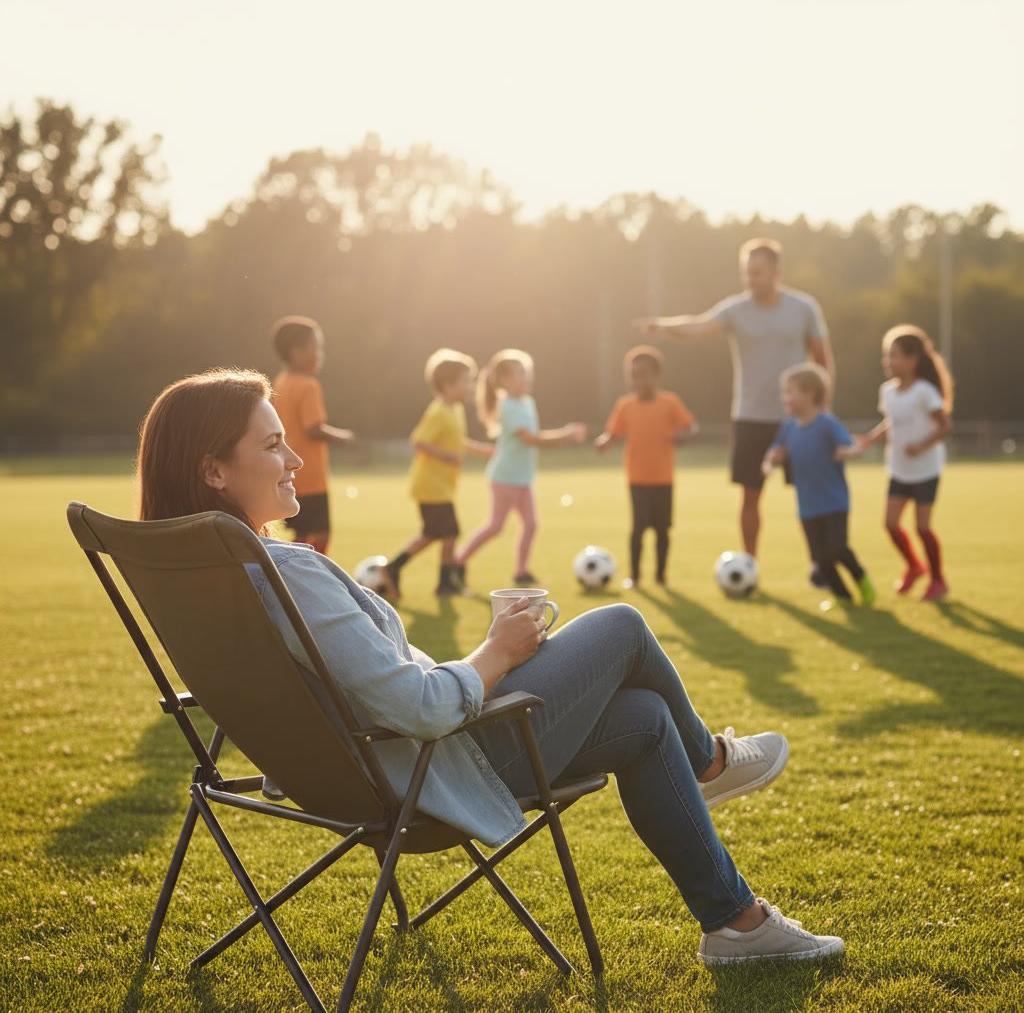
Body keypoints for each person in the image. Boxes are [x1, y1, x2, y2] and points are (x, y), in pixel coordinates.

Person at [134, 367, 845, 966]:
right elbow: (420, 709)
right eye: (273, 445)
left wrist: (480, 663)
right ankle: (711, 763)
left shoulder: (203, 579)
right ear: (214, 471)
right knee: (623, 626)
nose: (294, 460)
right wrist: (497, 652)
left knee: (645, 718)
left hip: (356, 777)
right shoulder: (285, 572)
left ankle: (737, 924)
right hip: (434, 772)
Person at [634, 238, 833, 566]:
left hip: (799, 418)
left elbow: (822, 360)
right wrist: (662, 326)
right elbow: (698, 324)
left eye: (757, 272)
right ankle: (749, 564)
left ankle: (819, 565)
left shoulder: (804, 308)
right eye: (746, 272)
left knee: (810, 493)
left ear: (776, 272)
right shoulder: (736, 310)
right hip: (750, 415)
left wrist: (822, 408)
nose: (750, 279)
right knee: (750, 494)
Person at [455, 350, 586, 588]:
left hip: (523, 478)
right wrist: (566, 435)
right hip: (504, 477)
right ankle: (458, 561)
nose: (527, 378)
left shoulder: (527, 402)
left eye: (527, 373)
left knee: (531, 524)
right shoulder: (508, 406)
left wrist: (564, 436)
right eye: (520, 374)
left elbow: (532, 436)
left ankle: (521, 572)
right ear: (504, 380)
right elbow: (530, 439)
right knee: (495, 526)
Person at [850, 325, 953, 601]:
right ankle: (914, 566)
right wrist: (869, 440)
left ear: (912, 359)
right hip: (899, 469)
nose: (888, 361)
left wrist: (921, 446)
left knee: (922, 528)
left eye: (894, 356)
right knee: (890, 524)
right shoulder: (888, 392)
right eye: (887, 356)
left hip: (926, 470)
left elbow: (944, 426)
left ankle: (938, 580)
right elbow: (891, 423)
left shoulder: (924, 391)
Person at [761, 364, 876, 611]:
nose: (784, 398)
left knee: (837, 548)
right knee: (820, 558)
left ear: (809, 393)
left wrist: (850, 452)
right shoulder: (789, 426)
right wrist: (769, 463)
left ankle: (862, 579)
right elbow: (774, 451)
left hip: (834, 501)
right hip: (807, 505)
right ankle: (842, 596)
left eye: (789, 392)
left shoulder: (826, 423)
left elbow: (851, 446)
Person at [385, 350, 493, 598]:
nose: (471, 387)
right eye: (466, 381)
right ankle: (437, 581)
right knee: (448, 533)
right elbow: (419, 441)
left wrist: (479, 450)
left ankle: (399, 569)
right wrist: (446, 456)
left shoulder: (455, 410)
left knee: (437, 533)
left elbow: (456, 440)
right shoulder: (438, 411)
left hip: (441, 487)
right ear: (448, 385)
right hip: (430, 486)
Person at [594, 345, 698, 588]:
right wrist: (603, 442)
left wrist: (683, 435)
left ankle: (661, 576)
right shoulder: (625, 405)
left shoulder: (670, 402)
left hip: (663, 478)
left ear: (656, 375)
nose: (638, 380)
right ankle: (634, 576)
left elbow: (691, 426)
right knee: (638, 527)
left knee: (662, 529)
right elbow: (612, 433)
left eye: (643, 374)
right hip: (637, 477)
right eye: (633, 375)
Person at [270, 315, 354, 554]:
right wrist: (343, 437)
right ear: (297, 352)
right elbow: (313, 428)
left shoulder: (281, 382)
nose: (320, 354)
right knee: (319, 535)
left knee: (302, 533)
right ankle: (299, 571)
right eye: (315, 348)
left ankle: (287, 568)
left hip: (288, 470)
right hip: (311, 477)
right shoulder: (308, 385)